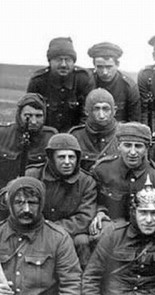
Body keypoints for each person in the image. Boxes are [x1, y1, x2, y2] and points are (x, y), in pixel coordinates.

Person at [90, 122, 155, 240]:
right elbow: (91, 200)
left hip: (147, 232)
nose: (132, 152)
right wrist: (99, 212)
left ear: (147, 148)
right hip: (113, 229)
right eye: (127, 145)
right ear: (118, 146)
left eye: (138, 146)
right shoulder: (103, 170)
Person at [24, 133, 97, 265]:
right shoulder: (33, 175)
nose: (67, 162)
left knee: (83, 241)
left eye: (72, 157)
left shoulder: (86, 182)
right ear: (51, 158)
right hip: (33, 230)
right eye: (61, 157)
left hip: (68, 234)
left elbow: (84, 217)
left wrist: (51, 229)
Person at [27, 37, 95, 133]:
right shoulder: (38, 81)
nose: (63, 64)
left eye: (67, 60)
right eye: (58, 60)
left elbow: (88, 115)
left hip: (77, 135)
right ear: (50, 61)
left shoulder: (83, 79)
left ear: (73, 62)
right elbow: (30, 113)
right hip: (45, 134)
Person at [0, 93, 56, 188]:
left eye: (38, 116)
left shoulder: (51, 137)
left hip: (35, 193)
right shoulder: (3, 134)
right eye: (28, 116)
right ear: (19, 115)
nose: (34, 121)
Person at [87, 42, 141, 122]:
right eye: (100, 67)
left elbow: (134, 119)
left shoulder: (128, 86)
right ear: (94, 65)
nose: (105, 72)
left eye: (109, 67)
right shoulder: (87, 82)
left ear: (117, 65)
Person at [69, 88, 120, 171]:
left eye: (105, 109)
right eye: (96, 109)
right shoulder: (76, 137)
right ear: (86, 111)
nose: (101, 115)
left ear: (114, 111)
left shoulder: (124, 135)